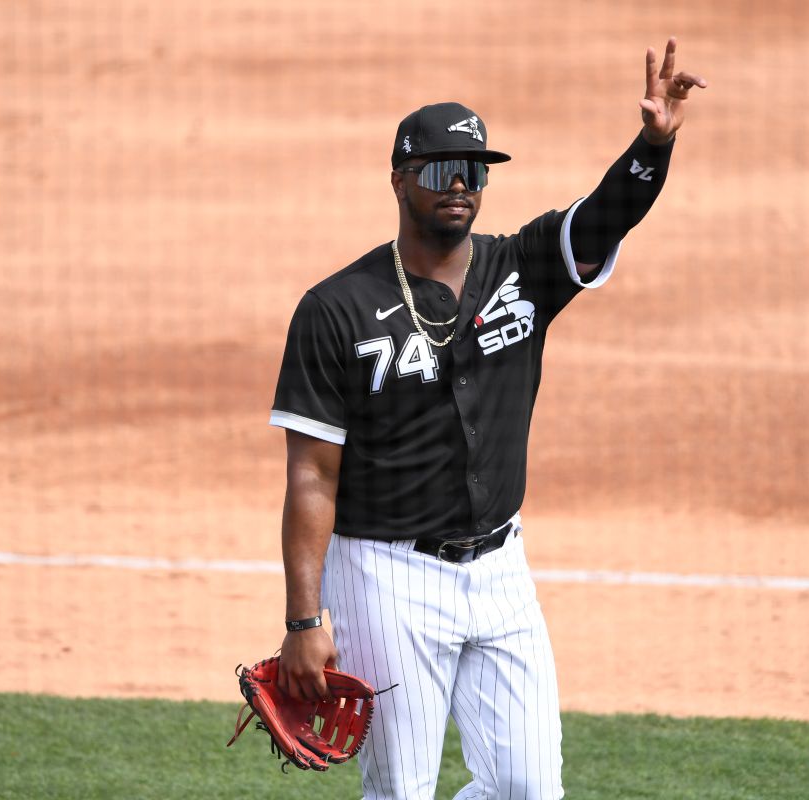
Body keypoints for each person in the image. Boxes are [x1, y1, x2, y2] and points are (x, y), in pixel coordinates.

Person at [268, 38, 706, 800]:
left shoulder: (523, 267)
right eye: (440, 170)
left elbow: (606, 217)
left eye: (473, 170)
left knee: (531, 788)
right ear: (400, 179)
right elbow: (310, 472)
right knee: (402, 791)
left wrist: (652, 146)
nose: (460, 185)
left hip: (503, 568)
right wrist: (305, 621)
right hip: (385, 575)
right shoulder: (335, 308)